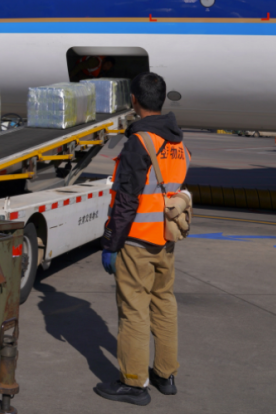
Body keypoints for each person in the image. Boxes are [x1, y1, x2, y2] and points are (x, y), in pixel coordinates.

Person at [94, 72, 189, 406]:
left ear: (134, 100)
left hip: (136, 242)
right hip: (166, 240)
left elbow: (126, 200)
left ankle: (134, 384)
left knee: (133, 310)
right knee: (164, 304)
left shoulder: (140, 142)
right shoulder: (178, 143)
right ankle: (165, 375)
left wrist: (111, 243)